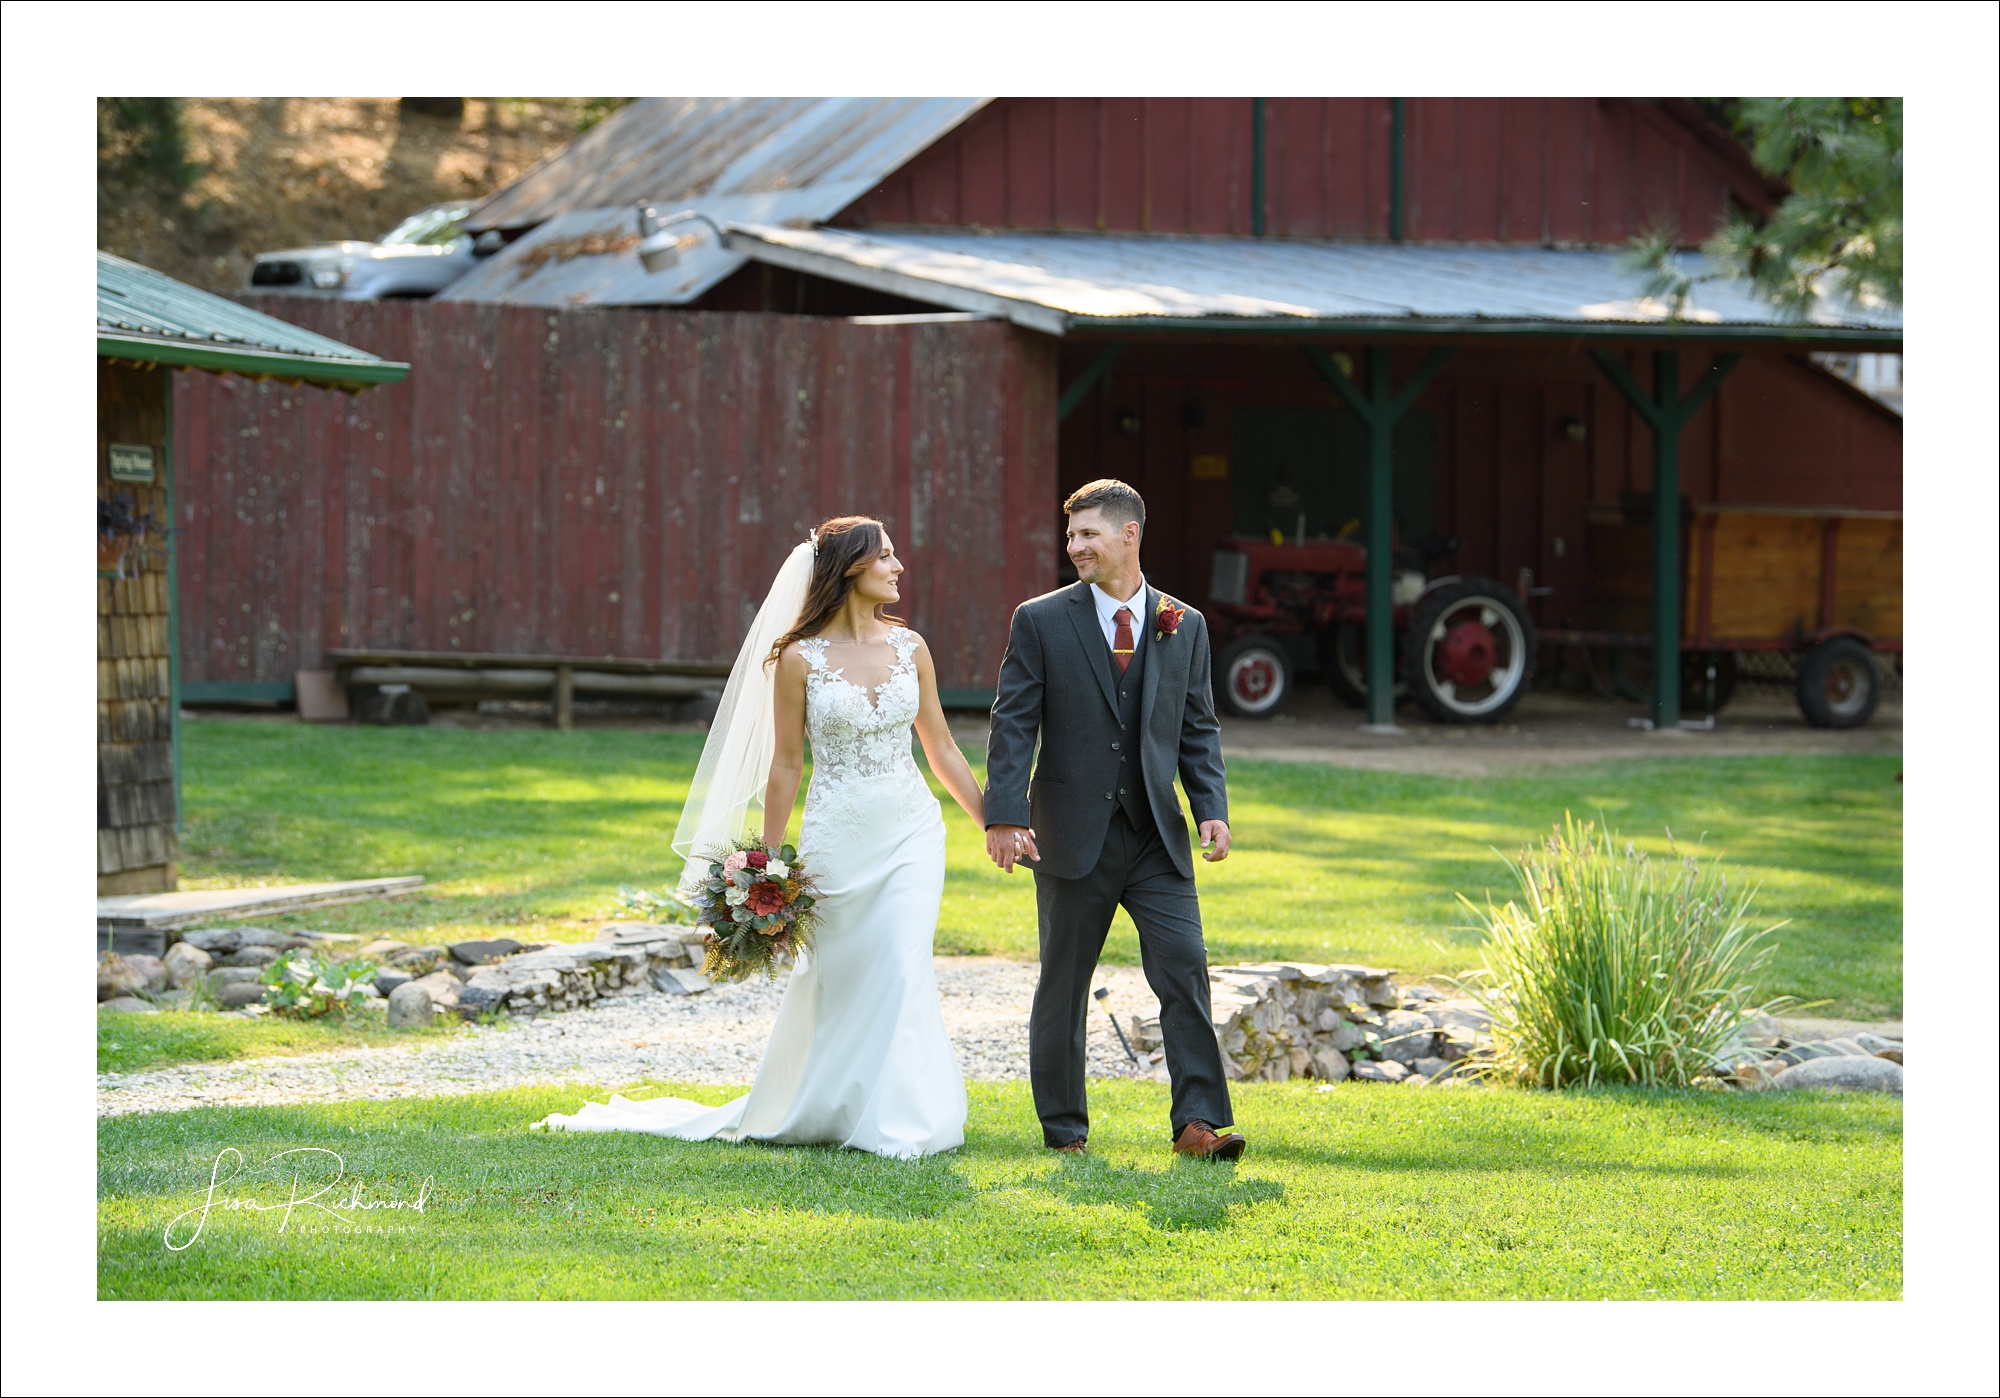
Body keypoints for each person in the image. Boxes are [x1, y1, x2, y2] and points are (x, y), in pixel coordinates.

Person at [536, 517, 984, 1158]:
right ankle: (829, 1104)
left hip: (912, 832)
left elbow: (940, 748)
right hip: (837, 838)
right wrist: (767, 862)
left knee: (902, 962)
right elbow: (785, 764)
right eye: (886, 557)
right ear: (852, 569)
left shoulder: (912, 647)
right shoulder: (799, 659)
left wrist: (994, 822)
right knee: (843, 974)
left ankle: (907, 1118)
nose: (898, 568)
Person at [983, 479, 1244, 1160]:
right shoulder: (1039, 619)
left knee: (1185, 966)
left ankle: (1199, 1126)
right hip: (1070, 834)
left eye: (1088, 534)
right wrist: (1004, 816)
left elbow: (1197, 727)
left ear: (1129, 534)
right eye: (1071, 536)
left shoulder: (1184, 624)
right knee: (1064, 984)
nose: (1075, 547)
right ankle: (1065, 1132)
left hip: (1156, 833)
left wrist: (1210, 807)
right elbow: (1013, 724)